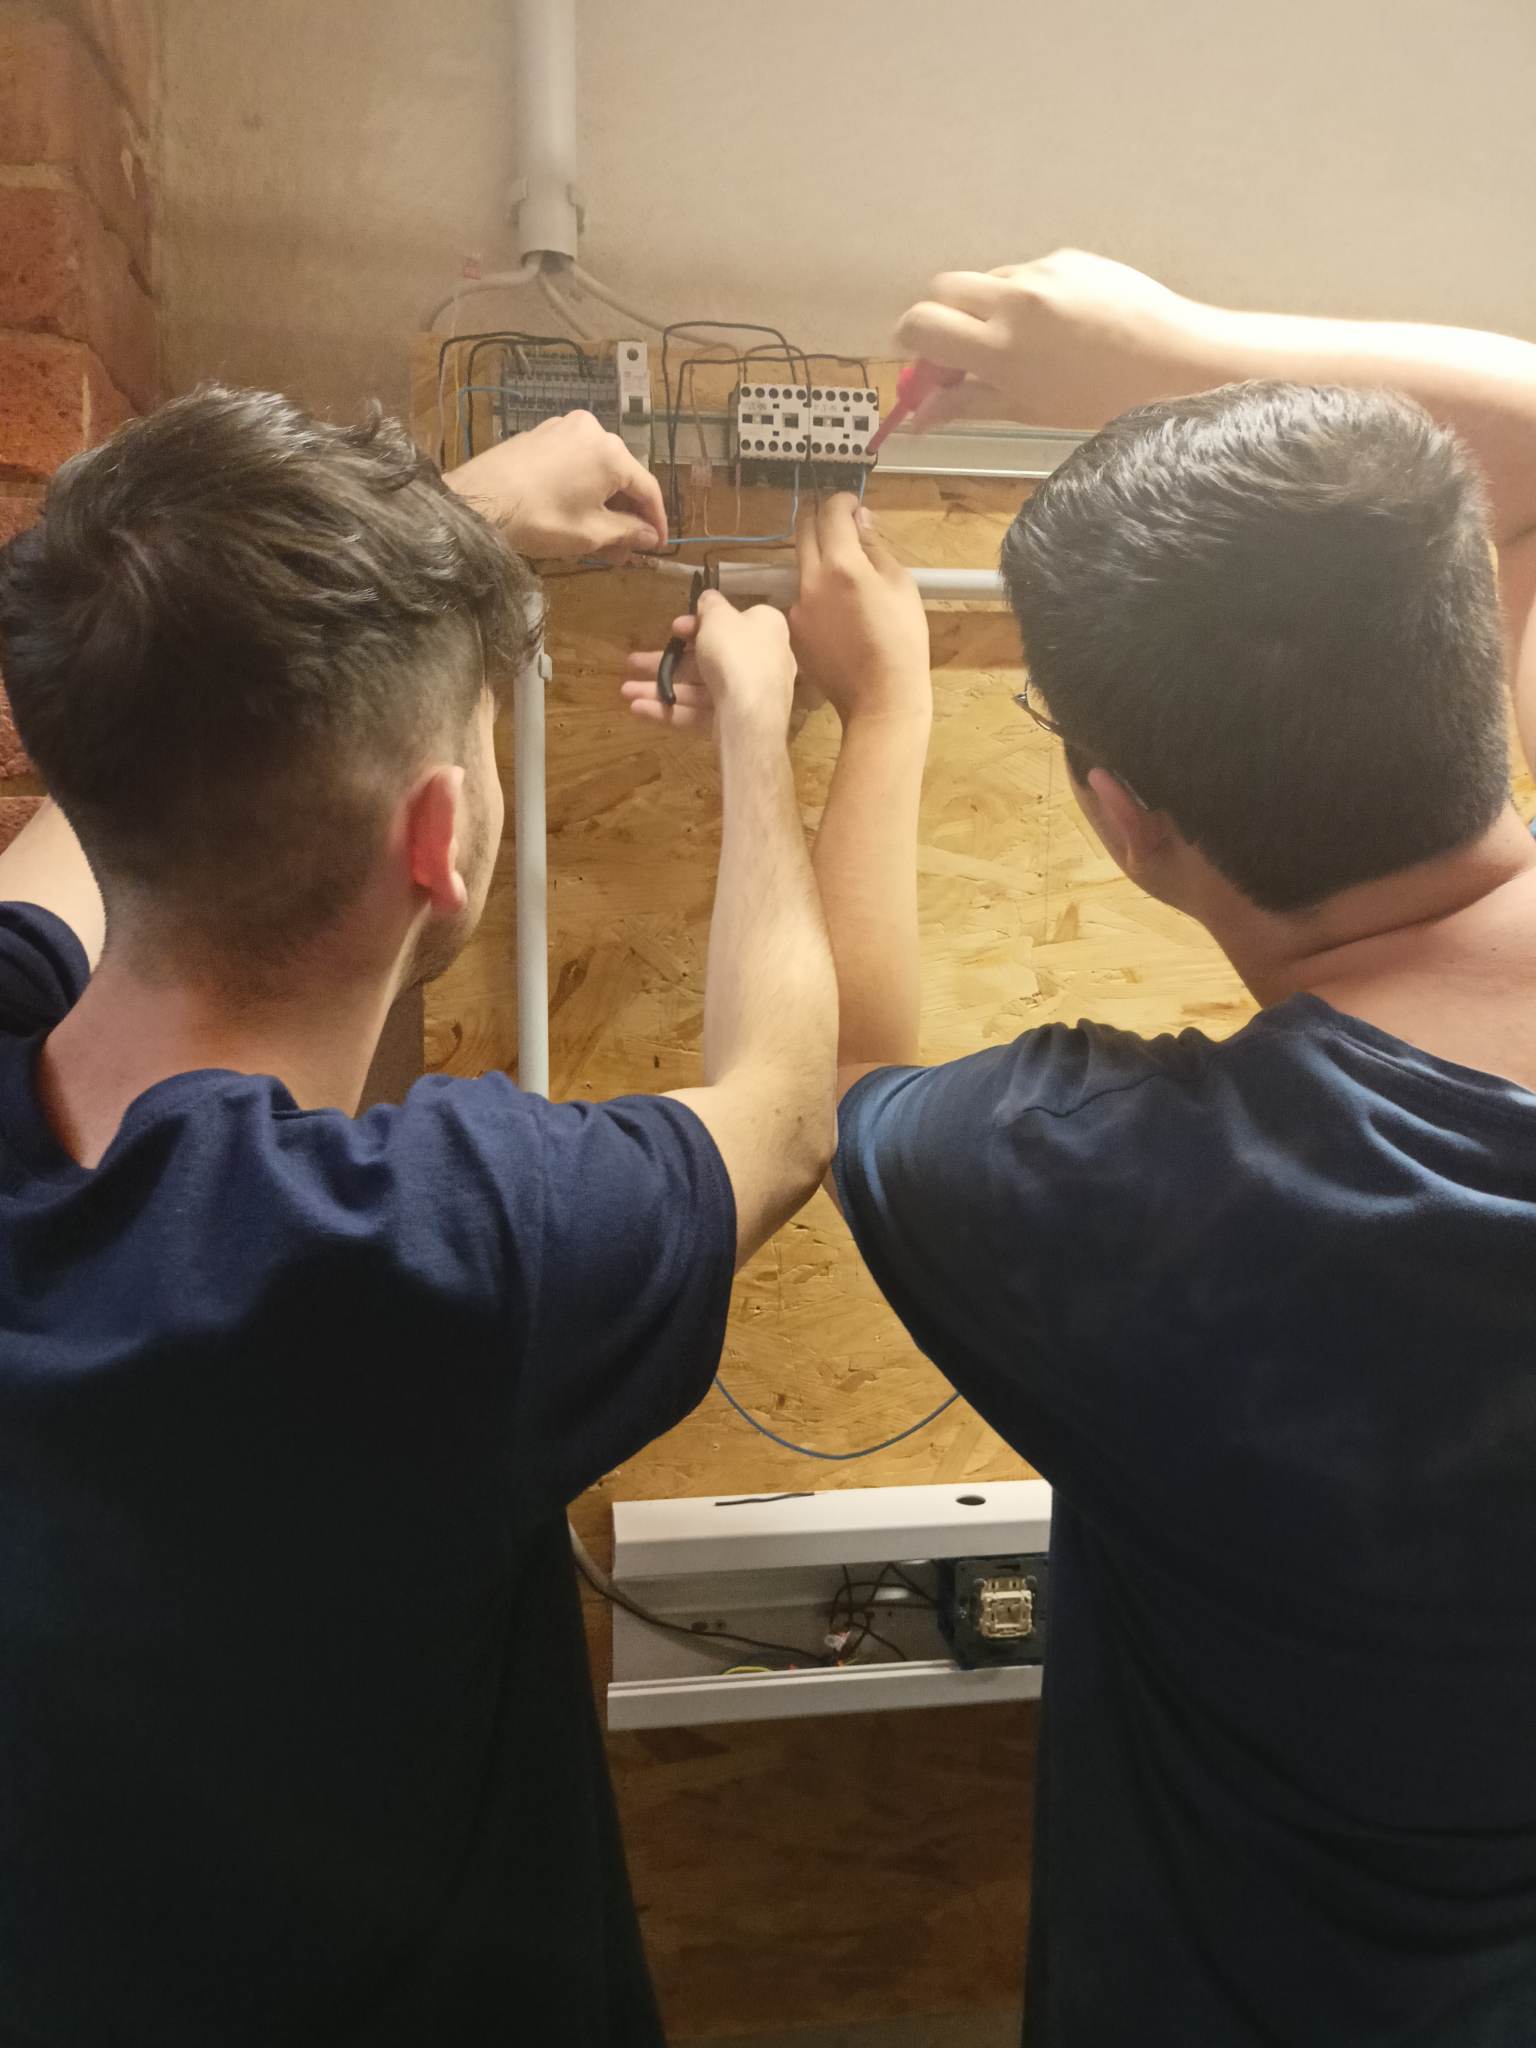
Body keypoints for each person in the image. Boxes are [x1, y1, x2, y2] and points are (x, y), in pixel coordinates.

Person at [633, 263, 1536, 2044]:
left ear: (1123, 818)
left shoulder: (1130, 1204)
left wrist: (852, 714)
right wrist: (1183, 348)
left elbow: (837, 1080)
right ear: (1479, 676)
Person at [0, 391, 836, 2046]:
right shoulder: (430, 1257)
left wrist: (447, 540)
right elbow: (785, 1108)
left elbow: (90, 814)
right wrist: (759, 726)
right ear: (441, 841)